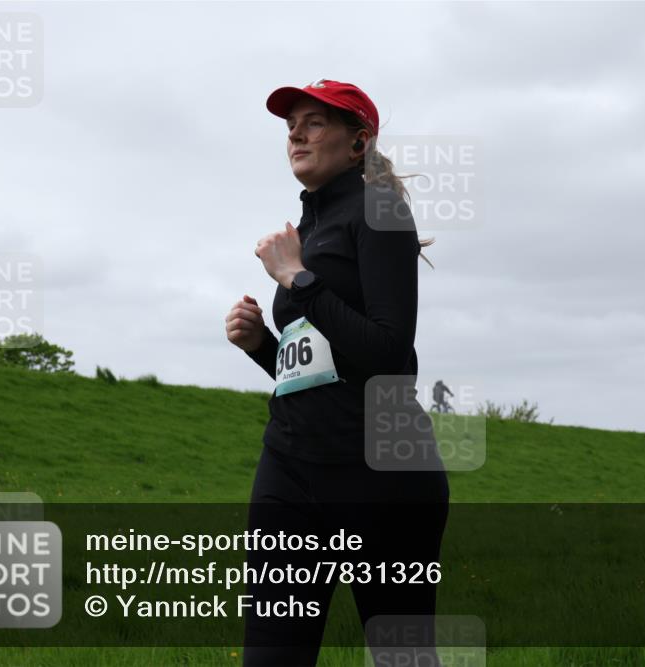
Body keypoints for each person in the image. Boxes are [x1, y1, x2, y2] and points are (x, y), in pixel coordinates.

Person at [225, 79, 449, 667]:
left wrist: (297, 279)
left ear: (358, 142)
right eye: (290, 125)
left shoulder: (381, 214)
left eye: (315, 122)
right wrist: (260, 345)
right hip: (290, 469)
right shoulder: (305, 232)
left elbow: (387, 353)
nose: (296, 135)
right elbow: (321, 371)